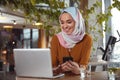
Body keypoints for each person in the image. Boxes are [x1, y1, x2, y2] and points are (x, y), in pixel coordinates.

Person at [50, 7, 92, 75]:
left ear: (77, 22)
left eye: (69, 22)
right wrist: (59, 69)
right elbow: (52, 66)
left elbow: (84, 65)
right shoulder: (56, 39)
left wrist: (79, 70)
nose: (65, 26)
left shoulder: (87, 39)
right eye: (62, 23)